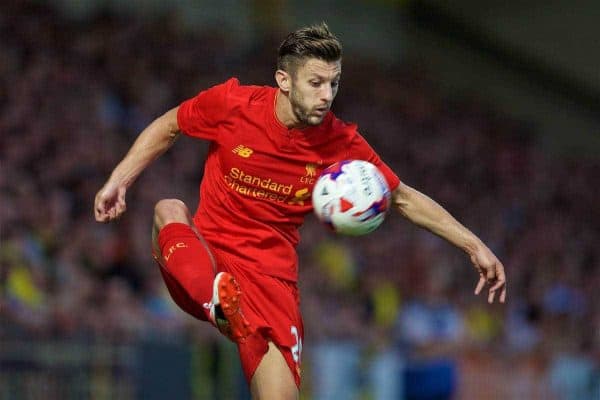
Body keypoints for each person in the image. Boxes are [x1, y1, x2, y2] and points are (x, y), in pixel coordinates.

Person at [94, 22, 507, 399]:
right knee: (169, 208)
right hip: (203, 260)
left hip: (270, 282)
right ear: (284, 81)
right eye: (315, 83)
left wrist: (472, 245)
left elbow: (402, 198)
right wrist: (120, 179)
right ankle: (218, 305)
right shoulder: (233, 104)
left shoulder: (340, 144)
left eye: (334, 84)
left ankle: (228, 309)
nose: (326, 95)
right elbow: (169, 125)